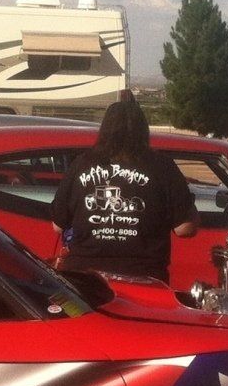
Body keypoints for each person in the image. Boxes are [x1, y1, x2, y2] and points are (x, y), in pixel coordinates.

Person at [50, 91, 197, 282]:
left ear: (104, 129)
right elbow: (184, 229)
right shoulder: (162, 166)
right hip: (142, 277)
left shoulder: (81, 164)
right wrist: (190, 208)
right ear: (143, 130)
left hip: (84, 278)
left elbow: (57, 225)